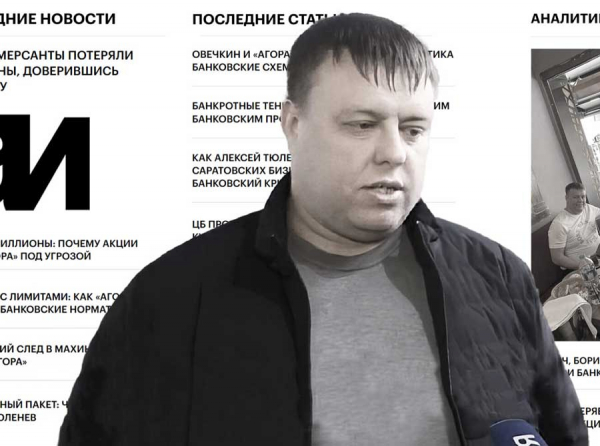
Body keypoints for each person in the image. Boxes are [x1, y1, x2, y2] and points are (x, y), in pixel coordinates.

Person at [58, 13, 587, 446]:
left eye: (413, 129)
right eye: (362, 125)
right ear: (293, 124)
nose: (394, 152)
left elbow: (564, 433)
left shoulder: (499, 276)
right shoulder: (168, 299)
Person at [549, 182, 600, 270]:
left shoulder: (589, 208)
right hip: (584, 268)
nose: (580, 200)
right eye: (576, 197)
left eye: (583, 197)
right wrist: (582, 266)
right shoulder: (559, 224)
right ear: (567, 198)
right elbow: (557, 258)